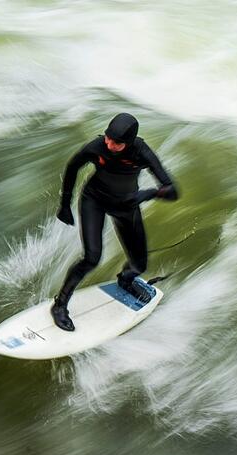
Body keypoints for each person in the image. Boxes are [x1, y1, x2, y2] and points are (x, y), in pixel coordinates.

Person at [51, 112, 179, 331]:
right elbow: (73, 167)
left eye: (116, 142)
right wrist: (65, 204)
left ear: (128, 143)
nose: (109, 143)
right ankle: (60, 304)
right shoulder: (97, 146)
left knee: (139, 265)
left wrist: (146, 194)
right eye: (108, 137)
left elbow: (172, 191)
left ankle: (125, 280)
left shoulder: (141, 152)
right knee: (92, 258)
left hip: (126, 206)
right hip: (94, 201)